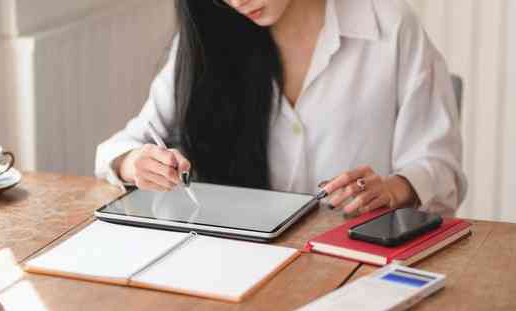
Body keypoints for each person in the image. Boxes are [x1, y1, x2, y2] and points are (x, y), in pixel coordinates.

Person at [95, 0, 467, 216]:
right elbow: (119, 147)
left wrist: (392, 189)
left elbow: (441, 169)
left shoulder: (391, 27)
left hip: (357, 270)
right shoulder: (209, 39)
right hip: (239, 267)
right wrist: (134, 163)